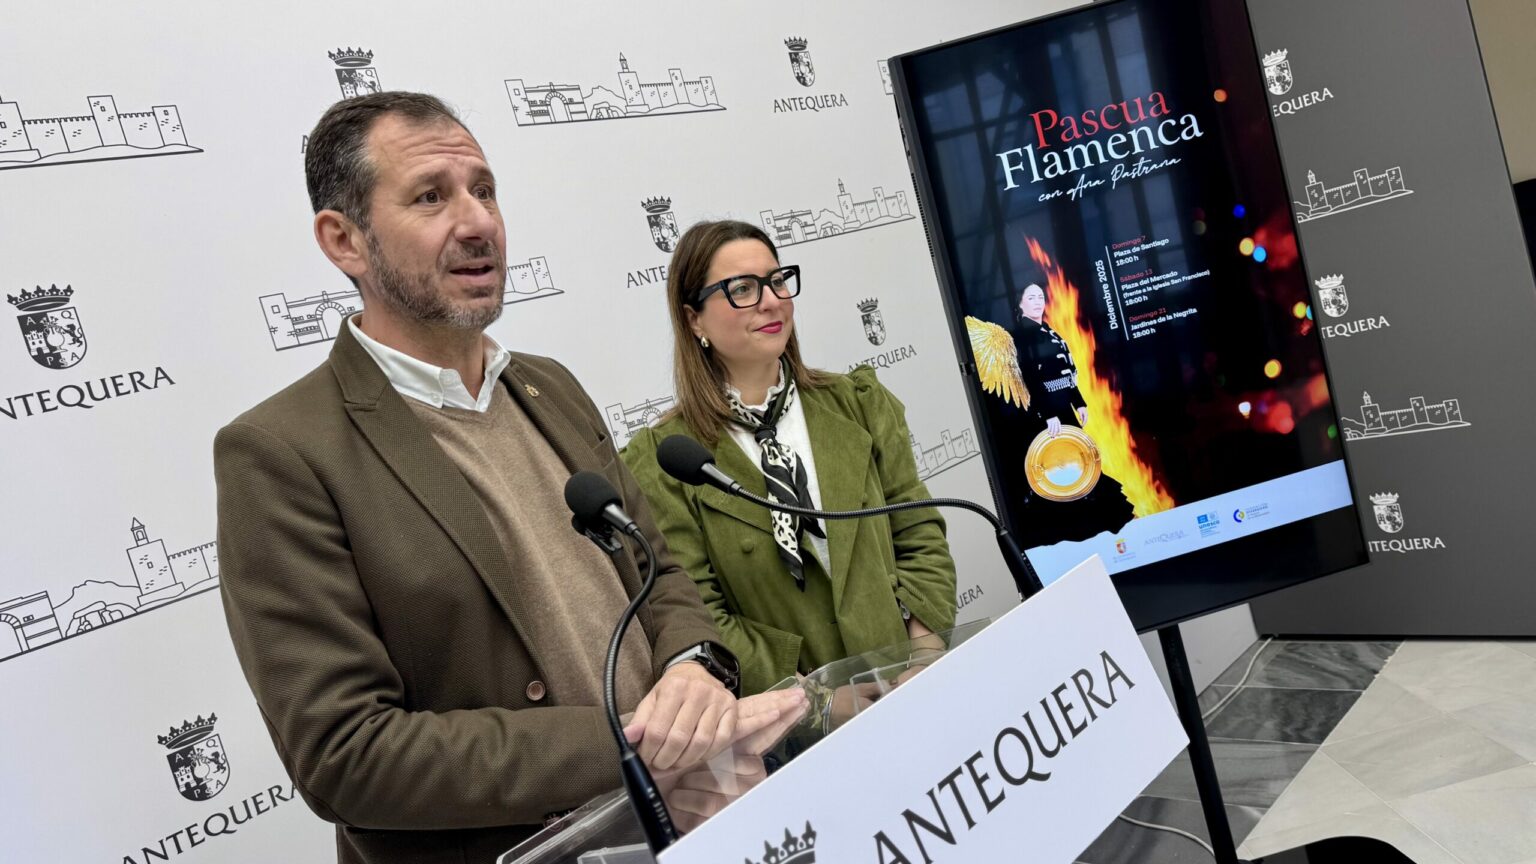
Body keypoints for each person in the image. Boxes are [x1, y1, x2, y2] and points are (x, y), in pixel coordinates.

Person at [214, 93, 799, 864]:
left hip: (692, 824)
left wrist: (693, 670)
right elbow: (346, 754)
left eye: (484, 190)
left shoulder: (550, 386)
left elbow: (658, 576)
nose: (478, 222)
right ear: (344, 240)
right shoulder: (281, 453)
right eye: (431, 197)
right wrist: (638, 749)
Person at [620, 220, 958, 697]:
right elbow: (699, 613)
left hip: (913, 685)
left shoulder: (858, 403)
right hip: (794, 726)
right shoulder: (664, 462)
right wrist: (815, 703)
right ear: (694, 320)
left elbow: (918, 529)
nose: (771, 300)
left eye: (777, 280)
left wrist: (923, 655)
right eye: (742, 288)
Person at [1006, 281, 1134, 546]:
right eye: (1031, 298)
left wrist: (1079, 402)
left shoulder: (1047, 331)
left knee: (1081, 462)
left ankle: (1095, 523)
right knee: (1065, 467)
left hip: (1063, 406)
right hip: (1047, 414)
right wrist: (1048, 413)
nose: (1038, 302)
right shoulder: (1023, 336)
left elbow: (1066, 370)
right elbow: (1031, 377)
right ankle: (1078, 528)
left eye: (1040, 297)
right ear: (1020, 304)